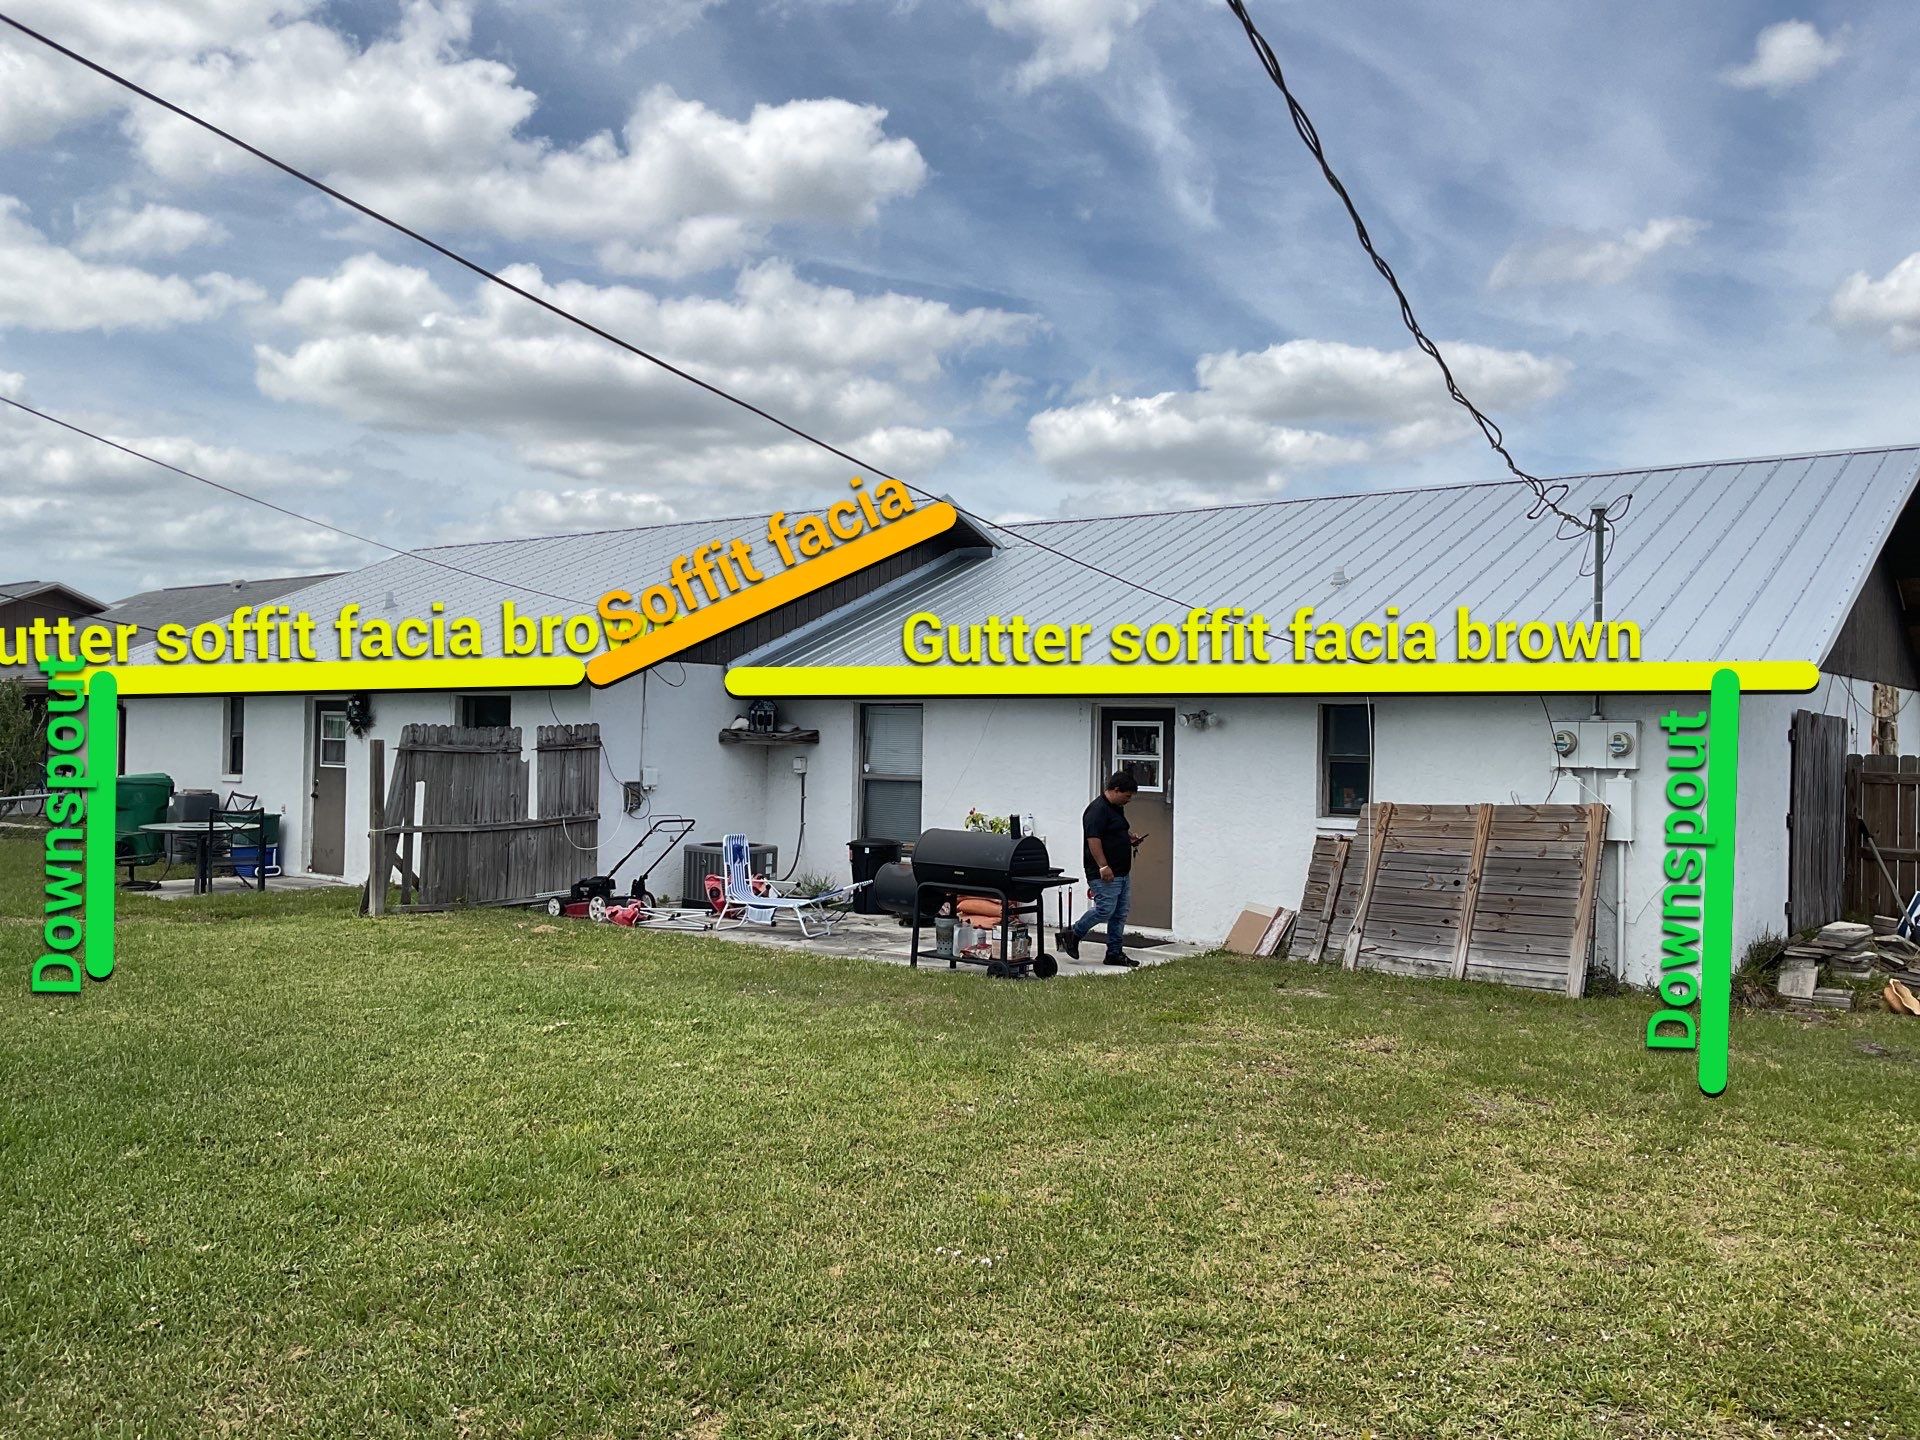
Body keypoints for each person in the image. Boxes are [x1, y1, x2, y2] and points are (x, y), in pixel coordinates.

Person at [1058, 771, 1140, 967]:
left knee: (1120, 913)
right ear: (1116, 790)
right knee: (1105, 910)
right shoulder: (1097, 810)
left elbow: (1116, 830)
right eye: (1127, 796)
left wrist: (1129, 837)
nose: (1128, 800)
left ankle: (1114, 952)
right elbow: (1093, 840)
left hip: (1122, 871)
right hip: (1104, 873)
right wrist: (1103, 866)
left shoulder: (1117, 808)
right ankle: (1073, 933)